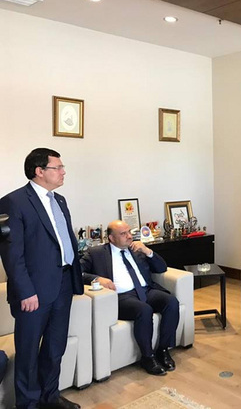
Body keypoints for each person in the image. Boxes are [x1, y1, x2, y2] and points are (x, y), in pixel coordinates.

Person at [0, 148, 82, 409]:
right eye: (58, 167)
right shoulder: (13, 202)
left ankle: (50, 398)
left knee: (55, 348)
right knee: (27, 353)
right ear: (39, 171)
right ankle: (28, 404)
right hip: (33, 291)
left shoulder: (60, 201)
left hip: (63, 284)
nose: (63, 172)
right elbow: (12, 254)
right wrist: (25, 291)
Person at [80, 220, 179, 376]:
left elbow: (162, 268)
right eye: (123, 234)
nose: (129, 236)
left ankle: (163, 350)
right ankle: (148, 357)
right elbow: (78, 273)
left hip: (146, 290)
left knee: (171, 302)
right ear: (111, 238)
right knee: (144, 310)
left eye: (129, 232)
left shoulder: (137, 249)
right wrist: (97, 279)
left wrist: (148, 251)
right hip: (122, 297)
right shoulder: (96, 253)